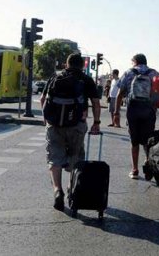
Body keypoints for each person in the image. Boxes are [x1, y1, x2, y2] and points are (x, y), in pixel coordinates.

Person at [40, 53, 101, 211]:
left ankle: (57, 190)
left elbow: (43, 99)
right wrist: (96, 122)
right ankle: (71, 188)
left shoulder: (55, 77)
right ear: (82, 66)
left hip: (54, 125)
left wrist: (46, 119)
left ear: (66, 64)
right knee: (76, 156)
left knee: (54, 157)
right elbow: (95, 102)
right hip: (77, 125)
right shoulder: (86, 80)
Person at [114, 53, 159, 179]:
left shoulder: (129, 73)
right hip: (149, 111)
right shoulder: (154, 74)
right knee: (148, 140)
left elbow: (120, 94)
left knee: (134, 141)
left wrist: (117, 113)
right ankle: (148, 163)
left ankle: (134, 170)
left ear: (135, 62)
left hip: (133, 111)